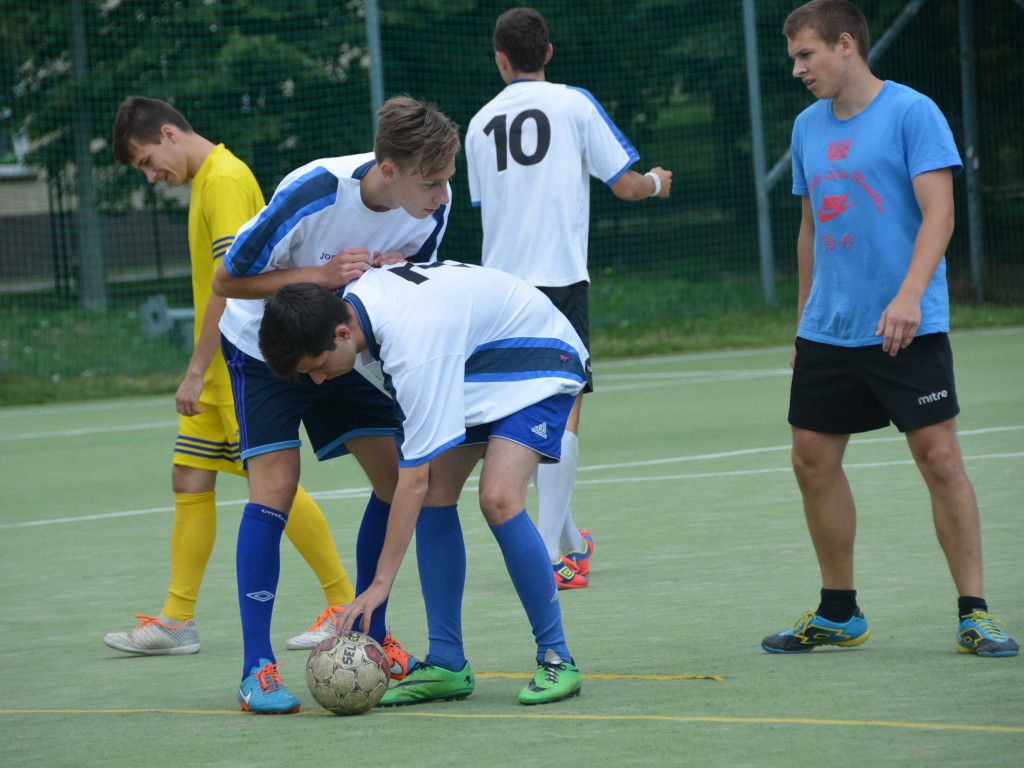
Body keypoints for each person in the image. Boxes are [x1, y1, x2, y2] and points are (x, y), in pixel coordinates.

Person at [762, 0, 1017, 658]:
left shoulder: (912, 112)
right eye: (793, 58)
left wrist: (908, 296)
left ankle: (974, 611)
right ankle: (838, 610)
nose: (797, 68)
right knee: (810, 463)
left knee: (940, 461)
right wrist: (802, 324)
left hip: (909, 327)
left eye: (806, 54)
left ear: (846, 45)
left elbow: (940, 214)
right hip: (829, 330)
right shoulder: (805, 129)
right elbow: (810, 229)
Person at [210, 95, 460, 713]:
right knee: (275, 487)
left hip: (343, 344)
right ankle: (257, 668)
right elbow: (227, 282)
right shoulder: (315, 189)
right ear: (388, 167)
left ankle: (373, 633)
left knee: (394, 475)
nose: (441, 194)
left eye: (447, 178)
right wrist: (317, 279)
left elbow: (415, 295)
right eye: (429, 181)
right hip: (263, 345)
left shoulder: (433, 211)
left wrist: (394, 277)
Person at [259, 261, 589, 706]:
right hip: (473, 359)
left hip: (537, 358)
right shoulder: (356, 314)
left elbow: (407, 482)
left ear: (341, 333)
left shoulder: (413, 346)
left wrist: (379, 585)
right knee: (438, 494)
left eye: (317, 366)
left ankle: (557, 657)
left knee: (498, 498)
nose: (318, 379)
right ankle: (448, 663)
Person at [103, 96, 360, 658]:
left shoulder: (222, 180)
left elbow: (233, 285)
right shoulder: (210, 179)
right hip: (223, 367)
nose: (151, 176)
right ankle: (177, 619)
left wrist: (196, 371)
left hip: (234, 366)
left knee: (272, 485)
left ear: (170, 133)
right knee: (189, 477)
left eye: (148, 160)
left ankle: (345, 603)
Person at [465, 7, 673, 589]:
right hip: (557, 279)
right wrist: (657, 182)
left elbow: (491, 204)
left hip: (498, 289)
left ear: (500, 59)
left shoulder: (479, 123)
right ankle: (552, 560)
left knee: (522, 412)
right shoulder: (575, 103)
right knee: (562, 411)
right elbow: (625, 184)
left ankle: (571, 543)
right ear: (548, 53)